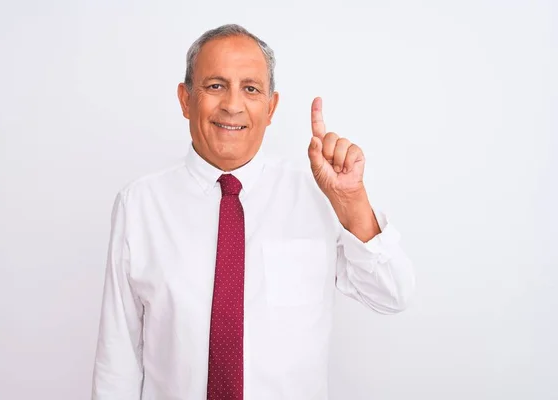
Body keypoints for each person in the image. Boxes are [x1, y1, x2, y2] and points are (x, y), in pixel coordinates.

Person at [91, 23, 415, 400]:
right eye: (215, 86)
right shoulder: (140, 205)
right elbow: (118, 357)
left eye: (251, 88)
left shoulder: (318, 197)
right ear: (185, 99)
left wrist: (353, 202)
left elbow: (393, 295)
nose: (232, 104)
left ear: (271, 106)